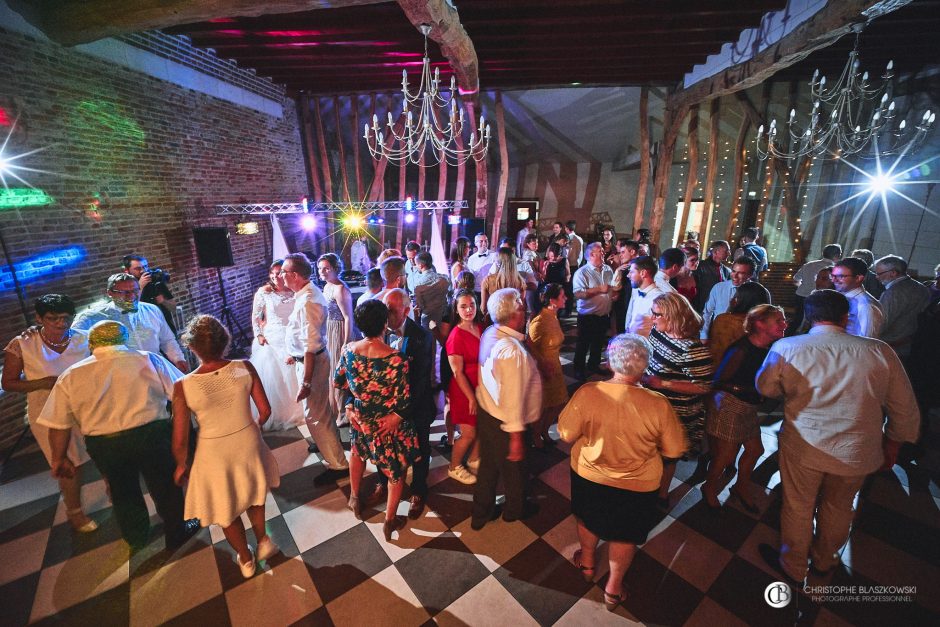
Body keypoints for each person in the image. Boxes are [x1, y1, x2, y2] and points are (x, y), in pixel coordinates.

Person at [755, 290, 920, 581]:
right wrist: (893, 444)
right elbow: (904, 407)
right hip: (857, 449)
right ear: (846, 317)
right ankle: (824, 560)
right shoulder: (879, 351)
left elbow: (765, 388)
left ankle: (794, 565)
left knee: (798, 505)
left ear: (809, 316)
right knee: (840, 505)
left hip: (805, 444)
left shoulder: (788, 346)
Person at [38, 321, 197, 551]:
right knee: (165, 486)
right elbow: (182, 393)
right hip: (151, 435)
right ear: (125, 339)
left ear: (91, 343)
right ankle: (177, 531)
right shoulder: (148, 359)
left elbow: (58, 423)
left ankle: (137, 537)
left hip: (105, 444)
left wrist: (59, 458)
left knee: (122, 491)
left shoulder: (71, 375)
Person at [559, 334, 686, 611]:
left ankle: (588, 563)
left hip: (589, 475)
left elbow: (566, 433)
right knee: (625, 534)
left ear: (610, 362)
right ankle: (613, 589)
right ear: (644, 367)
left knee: (588, 518)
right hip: (638, 483)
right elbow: (674, 449)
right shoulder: (658, 403)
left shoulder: (588, 392)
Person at [172, 315, 280, 578]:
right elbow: (265, 410)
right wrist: (253, 427)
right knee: (252, 492)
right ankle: (263, 540)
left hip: (214, 451)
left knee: (225, 507)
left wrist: (181, 464)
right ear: (225, 341)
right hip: (247, 441)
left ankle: (245, 557)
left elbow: (180, 439)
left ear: (192, 347)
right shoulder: (244, 367)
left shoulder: (183, 386)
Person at [2, 294, 96, 532]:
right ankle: (75, 512)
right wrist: (42, 383)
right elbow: (9, 383)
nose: (60, 324)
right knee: (68, 461)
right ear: (39, 318)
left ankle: (114, 492)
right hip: (46, 412)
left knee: (101, 452)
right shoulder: (23, 343)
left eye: (65, 318)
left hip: (85, 407)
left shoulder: (84, 339)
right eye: (53, 319)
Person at [335, 299, 421, 541]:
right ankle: (389, 520)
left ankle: (353, 497)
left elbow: (338, 382)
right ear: (384, 324)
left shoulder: (348, 350)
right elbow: (403, 400)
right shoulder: (396, 359)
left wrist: (352, 405)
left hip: (361, 418)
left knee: (357, 453)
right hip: (388, 422)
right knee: (397, 469)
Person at [701, 305, 786, 511]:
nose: (785, 324)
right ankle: (709, 488)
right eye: (779, 321)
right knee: (725, 456)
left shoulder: (770, 348)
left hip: (748, 405)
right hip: (731, 404)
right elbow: (719, 380)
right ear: (759, 324)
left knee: (756, 449)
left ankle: (740, 486)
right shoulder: (741, 349)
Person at [471, 288, 542, 530]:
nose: (525, 309)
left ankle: (481, 512)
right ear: (514, 314)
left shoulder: (492, 332)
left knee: (489, 465)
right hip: (505, 419)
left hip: (487, 411)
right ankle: (515, 510)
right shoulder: (511, 350)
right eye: (522, 306)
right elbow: (512, 397)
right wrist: (515, 437)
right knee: (515, 470)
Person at [367, 289, 436, 519]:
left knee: (420, 449)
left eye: (392, 310)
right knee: (383, 448)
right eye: (385, 308)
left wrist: (401, 412)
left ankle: (418, 490)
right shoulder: (376, 332)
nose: (386, 315)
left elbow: (421, 382)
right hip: (385, 407)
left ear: (407, 311)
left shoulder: (423, 337)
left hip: (416, 406)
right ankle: (383, 483)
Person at [281, 253, 349, 482]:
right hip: (309, 359)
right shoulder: (304, 294)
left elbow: (310, 345)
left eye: (284, 272)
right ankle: (328, 446)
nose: (281, 276)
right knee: (319, 412)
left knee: (316, 415)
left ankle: (338, 464)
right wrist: (293, 354)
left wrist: (306, 382)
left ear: (296, 275)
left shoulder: (309, 299)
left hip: (313, 362)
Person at [641, 292, 713, 506]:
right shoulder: (658, 332)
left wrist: (664, 384)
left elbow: (705, 387)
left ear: (672, 316)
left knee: (667, 456)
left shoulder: (693, 350)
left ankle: (662, 495)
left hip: (677, 412)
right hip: (653, 405)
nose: (652, 318)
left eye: (656, 314)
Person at [73, 272, 189, 373]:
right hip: (119, 376)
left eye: (135, 290)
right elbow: (73, 345)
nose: (131, 296)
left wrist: (178, 359)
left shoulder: (152, 310)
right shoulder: (92, 317)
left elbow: (167, 339)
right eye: (124, 292)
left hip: (155, 371)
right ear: (110, 293)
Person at [250, 260, 304, 430]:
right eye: (271, 275)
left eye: (278, 274)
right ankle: (280, 412)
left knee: (296, 372)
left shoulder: (294, 291)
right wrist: (258, 334)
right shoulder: (264, 293)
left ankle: (300, 407)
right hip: (273, 337)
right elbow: (256, 316)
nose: (275, 278)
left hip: (293, 334)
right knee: (277, 376)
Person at [445, 289, 483, 484]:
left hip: (481, 385)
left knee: (481, 426)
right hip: (464, 389)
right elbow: (457, 372)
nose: (469, 310)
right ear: (456, 309)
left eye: (472, 305)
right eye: (463, 306)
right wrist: (471, 397)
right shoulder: (456, 336)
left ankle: (475, 458)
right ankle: (454, 467)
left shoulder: (480, 326)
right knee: (468, 433)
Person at [528, 283, 569, 447]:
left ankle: (544, 431)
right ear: (552, 300)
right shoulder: (540, 321)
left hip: (555, 367)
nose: (566, 298)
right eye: (562, 296)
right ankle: (536, 437)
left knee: (557, 403)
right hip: (543, 371)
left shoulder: (553, 316)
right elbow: (529, 346)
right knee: (544, 406)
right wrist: (542, 364)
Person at [318, 253, 356, 426]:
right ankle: (336, 410)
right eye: (320, 268)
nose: (322, 271)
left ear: (334, 268)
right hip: (330, 329)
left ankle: (343, 413)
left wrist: (345, 343)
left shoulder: (341, 289)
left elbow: (348, 317)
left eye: (326, 268)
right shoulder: (326, 287)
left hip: (341, 330)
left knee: (339, 372)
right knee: (332, 371)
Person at [572, 242, 614, 379]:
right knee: (583, 344)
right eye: (600, 251)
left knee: (598, 343)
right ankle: (578, 368)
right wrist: (599, 290)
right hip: (587, 316)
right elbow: (578, 294)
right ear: (591, 255)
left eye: (602, 251)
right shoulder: (582, 272)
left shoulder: (608, 269)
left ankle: (593, 365)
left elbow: (611, 287)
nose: (603, 253)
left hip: (603, 315)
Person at [874, 254, 931, 357]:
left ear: (893, 273)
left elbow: (881, 323)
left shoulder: (892, 294)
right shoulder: (922, 288)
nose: (876, 277)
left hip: (886, 348)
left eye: (879, 273)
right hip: (908, 347)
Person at [706, 282, 772, 365]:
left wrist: (731, 308)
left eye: (736, 296)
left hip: (717, 369)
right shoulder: (764, 324)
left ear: (739, 299)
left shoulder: (722, 319)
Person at [701, 257, 757, 341]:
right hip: (718, 335)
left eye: (741, 273)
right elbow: (707, 313)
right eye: (733, 271)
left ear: (750, 275)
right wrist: (703, 335)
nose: (734, 276)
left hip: (743, 339)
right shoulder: (719, 288)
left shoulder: (757, 292)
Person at [792, 243, 842, 331]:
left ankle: (787, 336)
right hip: (820, 299)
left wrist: (805, 286)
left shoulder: (809, 264)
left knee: (797, 320)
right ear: (836, 256)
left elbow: (795, 279)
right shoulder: (834, 269)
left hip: (801, 295)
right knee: (814, 323)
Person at [830, 257, 884, 338]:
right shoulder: (839, 297)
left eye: (840, 276)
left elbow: (865, 341)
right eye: (833, 276)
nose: (834, 280)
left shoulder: (866, 306)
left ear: (858, 278)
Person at [122, 254, 177, 332]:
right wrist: (140, 287)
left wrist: (163, 301)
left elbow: (173, 308)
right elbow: (128, 311)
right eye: (138, 269)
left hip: (166, 328)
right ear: (127, 271)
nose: (143, 271)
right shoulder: (123, 288)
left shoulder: (156, 283)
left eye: (145, 267)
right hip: (145, 332)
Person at [623, 255, 663, 336]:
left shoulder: (659, 299)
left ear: (643, 273)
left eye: (632, 272)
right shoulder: (637, 292)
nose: (628, 275)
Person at [480, 248, 526, 317]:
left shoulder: (487, 280)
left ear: (498, 263)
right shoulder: (521, 282)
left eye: (495, 260)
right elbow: (521, 307)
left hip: (494, 320)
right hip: (512, 320)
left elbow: (483, 309)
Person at [411, 251, 450, 329]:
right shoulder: (445, 278)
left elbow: (419, 305)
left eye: (415, 264)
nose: (415, 266)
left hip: (428, 319)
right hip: (444, 316)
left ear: (421, 265)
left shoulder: (418, 283)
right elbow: (449, 295)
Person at [692, 240, 732, 313]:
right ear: (716, 252)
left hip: (718, 310)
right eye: (727, 251)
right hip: (700, 309)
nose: (729, 253)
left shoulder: (727, 271)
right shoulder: (700, 267)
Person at [610, 239, 639, 333]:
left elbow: (615, 288)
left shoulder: (637, 269)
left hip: (630, 310)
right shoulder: (624, 268)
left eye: (623, 252)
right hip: (623, 309)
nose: (620, 255)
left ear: (632, 252)